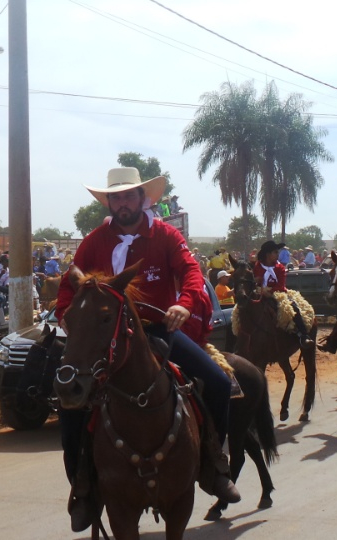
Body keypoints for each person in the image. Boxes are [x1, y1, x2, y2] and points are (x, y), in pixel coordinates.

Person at [55, 166, 240, 520]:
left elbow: (190, 272)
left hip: (156, 330)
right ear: (109, 202)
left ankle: (214, 466)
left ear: (143, 198)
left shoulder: (166, 236)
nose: (121, 203)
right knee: (69, 401)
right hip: (103, 337)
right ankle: (84, 486)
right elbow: (70, 284)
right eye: (116, 197)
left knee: (217, 382)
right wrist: (68, 314)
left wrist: (182, 305)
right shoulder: (94, 240)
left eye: (128, 196)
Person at [253, 239, 314, 349]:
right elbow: (254, 281)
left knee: (292, 307)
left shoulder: (280, 267)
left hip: (277, 294)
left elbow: (280, 285)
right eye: (275, 252)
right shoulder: (257, 266)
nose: (278, 254)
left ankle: (303, 335)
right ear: (268, 254)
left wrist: (269, 291)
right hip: (260, 293)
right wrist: (258, 285)